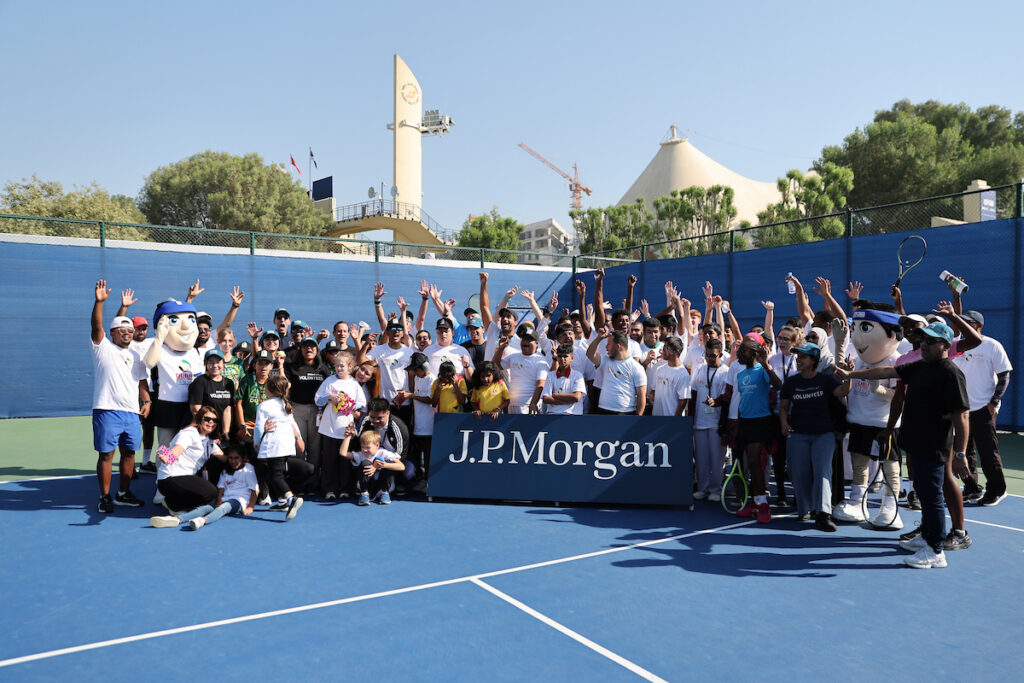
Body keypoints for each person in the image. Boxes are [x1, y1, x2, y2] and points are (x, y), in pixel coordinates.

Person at [837, 322, 969, 569]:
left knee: (932, 498)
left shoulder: (951, 373)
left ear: (945, 345)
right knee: (923, 491)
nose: (924, 345)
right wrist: (851, 375)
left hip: (934, 446)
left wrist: (961, 454)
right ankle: (927, 536)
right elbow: (886, 371)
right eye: (922, 340)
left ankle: (935, 551)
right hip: (914, 442)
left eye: (930, 341)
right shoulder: (920, 366)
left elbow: (962, 416)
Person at [90, 280, 150, 512]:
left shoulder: (136, 355)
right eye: (122, 331)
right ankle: (104, 497)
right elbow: (97, 325)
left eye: (130, 331)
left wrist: (146, 400)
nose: (127, 333)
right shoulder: (102, 347)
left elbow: (142, 382)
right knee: (106, 454)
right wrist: (99, 302)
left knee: (129, 453)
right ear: (112, 333)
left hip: (131, 413)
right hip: (107, 410)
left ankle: (123, 494)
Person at [779, 343, 851, 531]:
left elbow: (843, 391)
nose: (798, 360)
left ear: (813, 360)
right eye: (798, 356)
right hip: (798, 435)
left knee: (822, 472)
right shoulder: (791, 382)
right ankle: (804, 509)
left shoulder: (825, 380)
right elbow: (784, 407)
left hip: (823, 435)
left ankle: (823, 514)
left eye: (803, 357)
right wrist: (784, 424)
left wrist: (849, 376)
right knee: (799, 472)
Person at [953, 309, 1012, 506]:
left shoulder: (992, 345)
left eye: (968, 322)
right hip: (961, 409)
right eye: (961, 322)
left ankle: (997, 489)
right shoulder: (958, 346)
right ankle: (972, 487)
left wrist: (994, 402)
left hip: (984, 408)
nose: (963, 325)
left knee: (987, 451)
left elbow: (1004, 375)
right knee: (964, 451)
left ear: (979, 326)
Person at [730, 334, 783, 524]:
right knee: (751, 464)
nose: (738, 353)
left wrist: (766, 364)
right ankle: (755, 501)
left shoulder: (762, 370)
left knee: (754, 460)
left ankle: (763, 506)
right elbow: (742, 402)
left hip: (761, 421)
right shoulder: (740, 375)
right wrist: (737, 426)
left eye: (743, 350)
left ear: (753, 353)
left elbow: (778, 385)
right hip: (745, 422)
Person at [149, 444, 258, 530]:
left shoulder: (248, 469)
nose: (233, 461)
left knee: (223, 508)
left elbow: (254, 490)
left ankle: (202, 521)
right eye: (230, 458)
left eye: (236, 458)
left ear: (244, 458)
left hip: (239, 501)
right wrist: (219, 500)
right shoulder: (226, 470)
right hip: (225, 497)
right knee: (206, 507)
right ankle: (177, 519)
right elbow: (221, 487)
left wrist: (250, 507)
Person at [314, 349, 366, 499]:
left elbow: (362, 403)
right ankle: (329, 489)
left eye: (342, 366)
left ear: (350, 367)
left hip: (346, 429)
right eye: (336, 365)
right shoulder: (329, 381)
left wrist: (349, 404)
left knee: (344, 461)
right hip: (329, 428)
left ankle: (345, 489)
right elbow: (317, 400)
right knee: (329, 460)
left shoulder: (354, 384)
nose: (339, 368)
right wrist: (329, 398)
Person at [253, 375, 305, 519]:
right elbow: (293, 424)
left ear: (268, 389)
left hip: (274, 445)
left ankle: (291, 499)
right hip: (287, 444)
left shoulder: (264, 405)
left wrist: (256, 443)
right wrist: (299, 438)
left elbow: (258, 427)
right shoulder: (285, 404)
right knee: (277, 473)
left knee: (275, 476)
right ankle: (282, 502)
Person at [155, 405, 225, 513]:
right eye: (207, 419)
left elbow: (223, 457)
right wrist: (169, 456)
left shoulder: (209, 440)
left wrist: (245, 462)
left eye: (215, 420)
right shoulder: (189, 433)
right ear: (199, 419)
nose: (211, 422)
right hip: (170, 479)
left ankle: (174, 500)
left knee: (215, 468)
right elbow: (178, 448)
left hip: (186, 477)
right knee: (210, 493)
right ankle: (173, 504)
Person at [285, 336, 331, 489]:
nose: (309, 349)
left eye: (312, 346)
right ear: (301, 349)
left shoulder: (323, 369)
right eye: (305, 346)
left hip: (317, 411)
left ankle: (313, 482)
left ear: (317, 349)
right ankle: (299, 481)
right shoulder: (293, 367)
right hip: (297, 409)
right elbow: (285, 388)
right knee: (299, 446)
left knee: (314, 448)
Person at [690, 339, 730, 501]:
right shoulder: (700, 368)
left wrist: (716, 402)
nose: (709, 358)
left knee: (717, 459)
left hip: (716, 422)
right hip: (700, 421)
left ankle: (716, 489)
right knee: (701, 458)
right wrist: (691, 418)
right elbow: (693, 393)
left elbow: (727, 397)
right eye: (707, 355)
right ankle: (703, 487)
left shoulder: (726, 372)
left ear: (721, 354)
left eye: (713, 355)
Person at [354, 398, 413, 491]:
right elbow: (360, 443)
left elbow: (401, 455)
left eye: (379, 418)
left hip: (392, 459)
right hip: (371, 456)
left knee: (408, 475)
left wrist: (378, 465)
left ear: (388, 413)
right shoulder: (366, 421)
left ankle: (395, 482)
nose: (376, 421)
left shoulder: (399, 427)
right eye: (372, 417)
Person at [395, 352, 436, 485]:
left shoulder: (432, 379)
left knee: (428, 454)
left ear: (424, 367)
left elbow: (431, 400)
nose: (414, 372)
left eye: (416, 369)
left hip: (428, 424)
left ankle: (428, 480)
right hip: (418, 424)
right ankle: (420, 478)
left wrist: (411, 396)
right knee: (418, 452)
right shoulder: (418, 378)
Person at [586, 329, 647, 416]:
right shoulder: (605, 360)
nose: (606, 347)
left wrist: (638, 417)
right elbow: (590, 354)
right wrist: (599, 338)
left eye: (609, 344)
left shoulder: (636, 367)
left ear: (618, 347)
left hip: (625, 413)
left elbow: (641, 396)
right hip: (603, 411)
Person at [340, 426, 405, 506]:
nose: (365, 450)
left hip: (382, 485)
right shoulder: (360, 455)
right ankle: (364, 493)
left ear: (377, 446)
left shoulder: (383, 453)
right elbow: (343, 453)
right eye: (362, 447)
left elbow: (402, 467)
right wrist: (348, 436)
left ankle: (385, 493)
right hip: (368, 485)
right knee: (365, 462)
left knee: (389, 463)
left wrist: (384, 465)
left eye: (368, 447)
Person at [495, 323, 548, 414]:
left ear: (536, 343)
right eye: (524, 339)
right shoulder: (513, 356)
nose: (525, 342)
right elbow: (496, 366)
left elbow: (540, 384)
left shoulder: (541, 361)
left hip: (529, 406)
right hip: (512, 404)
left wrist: (533, 403)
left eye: (529, 340)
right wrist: (500, 349)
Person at [648, 336, 689, 417]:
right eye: (663, 347)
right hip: (656, 417)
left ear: (676, 351)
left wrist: (674, 420)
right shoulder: (659, 369)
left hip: (671, 419)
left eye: (666, 348)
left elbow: (683, 401)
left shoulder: (683, 374)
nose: (663, 350)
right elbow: (654, 390)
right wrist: (651, 395)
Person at [541, 343, 586, 416]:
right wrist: (567, 400)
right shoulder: (550, 375)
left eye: (565, 356)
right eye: (559, 356)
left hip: (573, 415)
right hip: (553, 414)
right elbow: (546, 399)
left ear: (572, 358)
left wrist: (554, 395)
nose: (562, 359)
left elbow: (576, 397)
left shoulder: (578, 375)